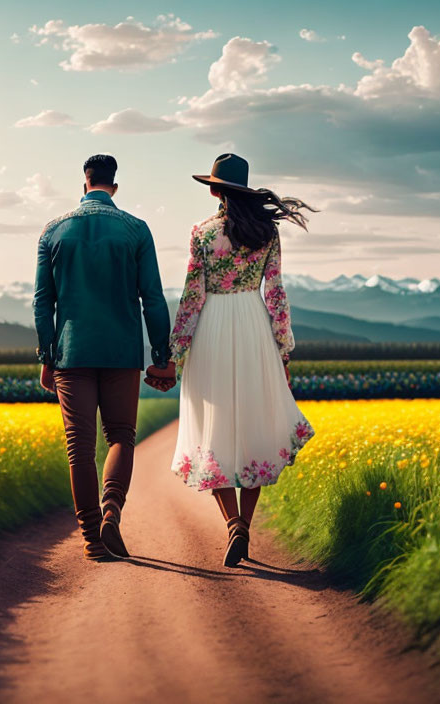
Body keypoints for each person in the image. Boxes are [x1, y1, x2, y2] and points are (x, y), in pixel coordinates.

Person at [151, 153, 316, 567]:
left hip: (212, 329)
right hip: (254, 325)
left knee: (213, 430)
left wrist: (176, 352)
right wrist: (283, 349)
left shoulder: (202, 233)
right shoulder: (266, 232)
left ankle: (233, 526)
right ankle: (247, 520)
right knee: (255, 427)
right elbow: (276, 294)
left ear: (214, 189)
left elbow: (192, 295)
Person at [33, 154, 175, 561]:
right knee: (120, 437)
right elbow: (153, 298)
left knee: (79, 446)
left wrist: (47, 355)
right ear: (114, 186)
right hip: (121, 351)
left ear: (85, 184)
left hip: (71, 353)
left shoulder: (52, 231)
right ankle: (112, 510)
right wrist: (161, 354)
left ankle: (93, 540)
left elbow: (43, 303)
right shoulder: (136, 230)